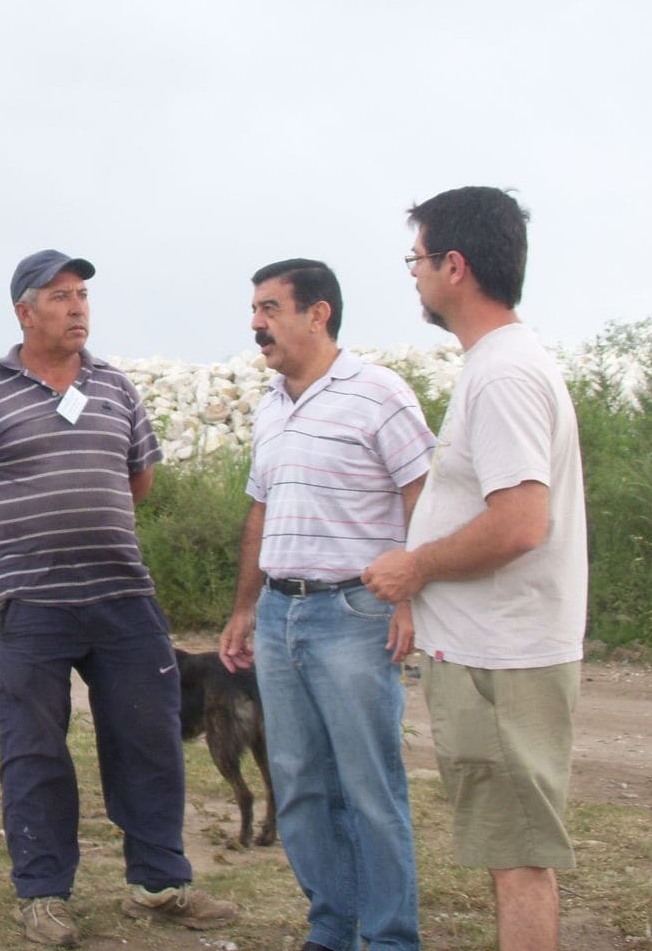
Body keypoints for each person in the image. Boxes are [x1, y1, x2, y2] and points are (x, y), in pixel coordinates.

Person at [0, 249, 236, 948]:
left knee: (149, 737)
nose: (78, 308)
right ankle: (43, 896)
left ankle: (159, 884)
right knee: (34, 748)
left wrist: (93, 531)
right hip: (31, 605)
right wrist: (10, 553)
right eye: (61, 296)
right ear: (24, 312)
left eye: (84, 295)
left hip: (123, 598)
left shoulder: (115, 388)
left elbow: (140, 477)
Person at [361, 187, 588, 951]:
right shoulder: (499, 365)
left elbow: (522, 523)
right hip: (493, 656)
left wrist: (414, 567)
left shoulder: (504, 375)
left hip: (504, 660)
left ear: (454, 266)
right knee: (507, 850)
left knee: (517, 858)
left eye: (417, 258)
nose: (414, 275)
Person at [217, 258, 435, 951]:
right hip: (280, 618)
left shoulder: (379, 393)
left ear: (319, 313)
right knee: (300, 782)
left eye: (270, 308)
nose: (257, 324)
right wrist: (246, 609)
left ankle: (391, 937)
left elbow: (423, 494)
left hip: (354, 615)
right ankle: (332, 927)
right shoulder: (270, 406)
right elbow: (260, 510)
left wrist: (411, 598)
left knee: (369, 786)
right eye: (254, 310)